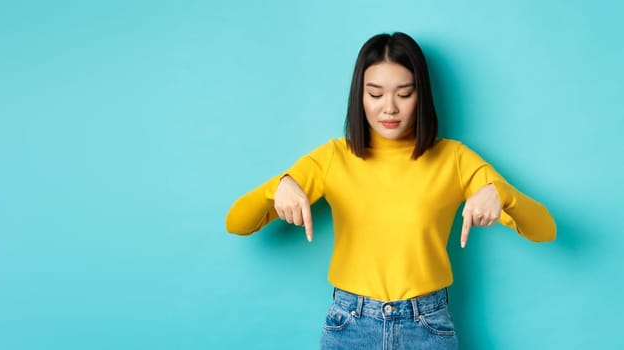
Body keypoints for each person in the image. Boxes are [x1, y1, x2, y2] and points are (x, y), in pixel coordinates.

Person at [224, 32, 556, 350]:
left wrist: (500, 193)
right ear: (360, 95)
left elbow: (545, 229)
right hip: (350, 325)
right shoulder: (333, 158)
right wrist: (279, 187)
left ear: (420, 95)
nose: (390, 108)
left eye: (404, 93)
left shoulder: (454, 159)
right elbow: (236, 222)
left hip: (427, 326)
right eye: (375, 93)